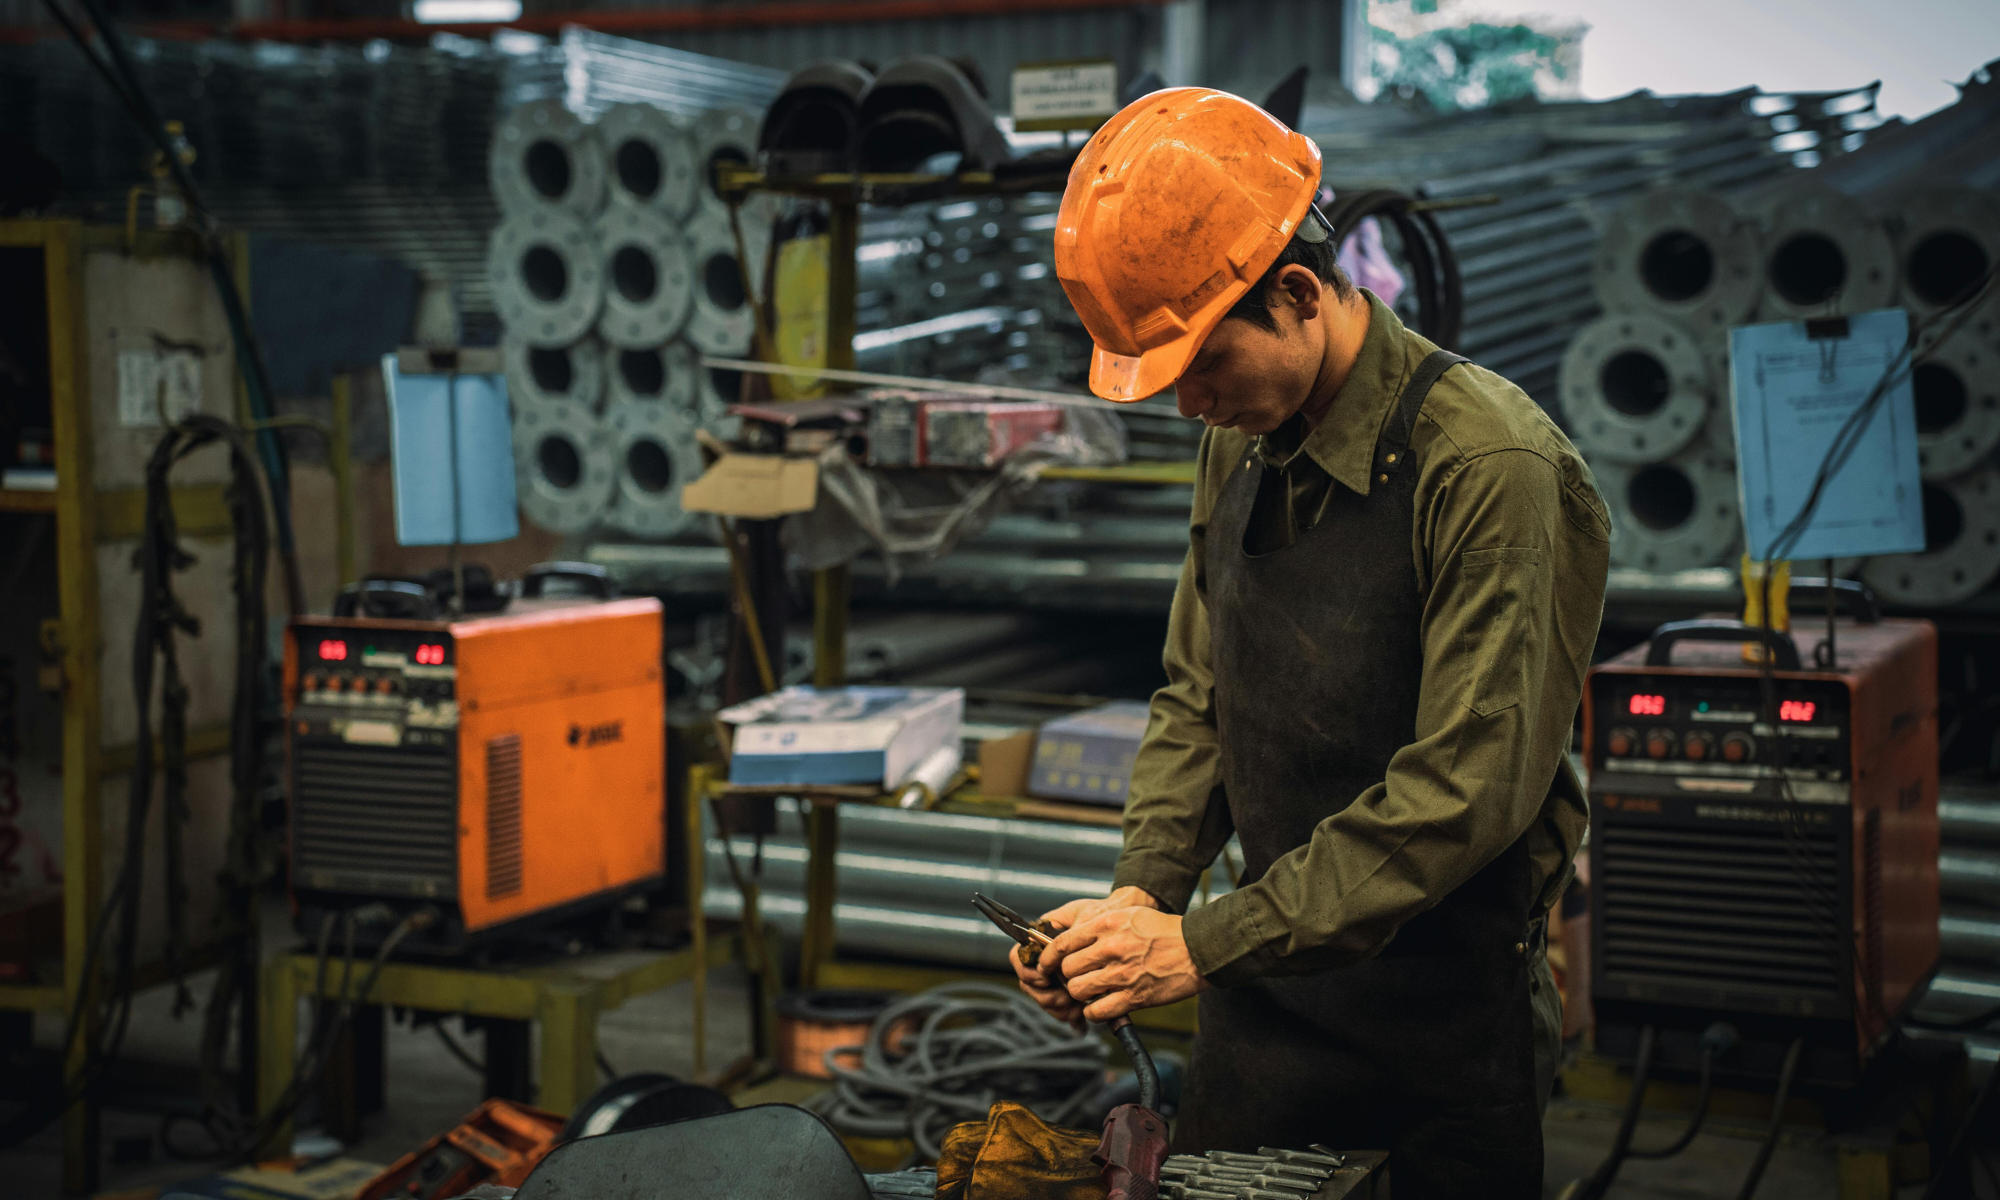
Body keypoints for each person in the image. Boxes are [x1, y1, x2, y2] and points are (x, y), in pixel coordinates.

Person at [1009, 88, 1611, 1198]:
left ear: (1294, 294)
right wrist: (1144, 897)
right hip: (1259, 1012)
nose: (1188, 406)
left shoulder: (1490, 469)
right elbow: (1201, 694)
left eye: (1199, 365)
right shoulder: (1238, 439)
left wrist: (1202, 943)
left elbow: (1464, 790)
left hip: (1438, 1032)